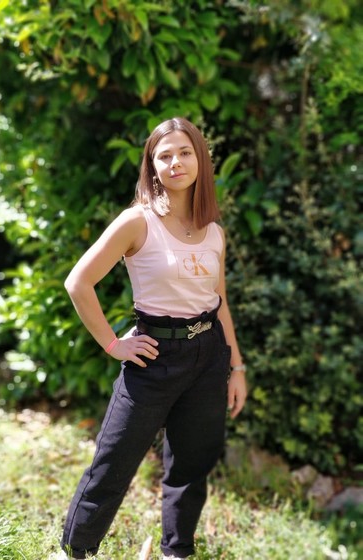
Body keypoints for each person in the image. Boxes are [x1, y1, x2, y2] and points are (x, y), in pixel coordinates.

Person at [56, 117, 247, 559]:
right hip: (153, 355)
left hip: (207, 355)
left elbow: (219, 302)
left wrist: (236, 366)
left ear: (200, 159)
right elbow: (78, 282)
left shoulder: (213, 231)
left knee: (192, 464)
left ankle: (177, 551)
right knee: (114, 461)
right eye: (165, 155)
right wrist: (113, 344)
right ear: (152, 166)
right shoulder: (137, 221)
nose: (176, 162)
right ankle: (76, 550)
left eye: (185, 152)